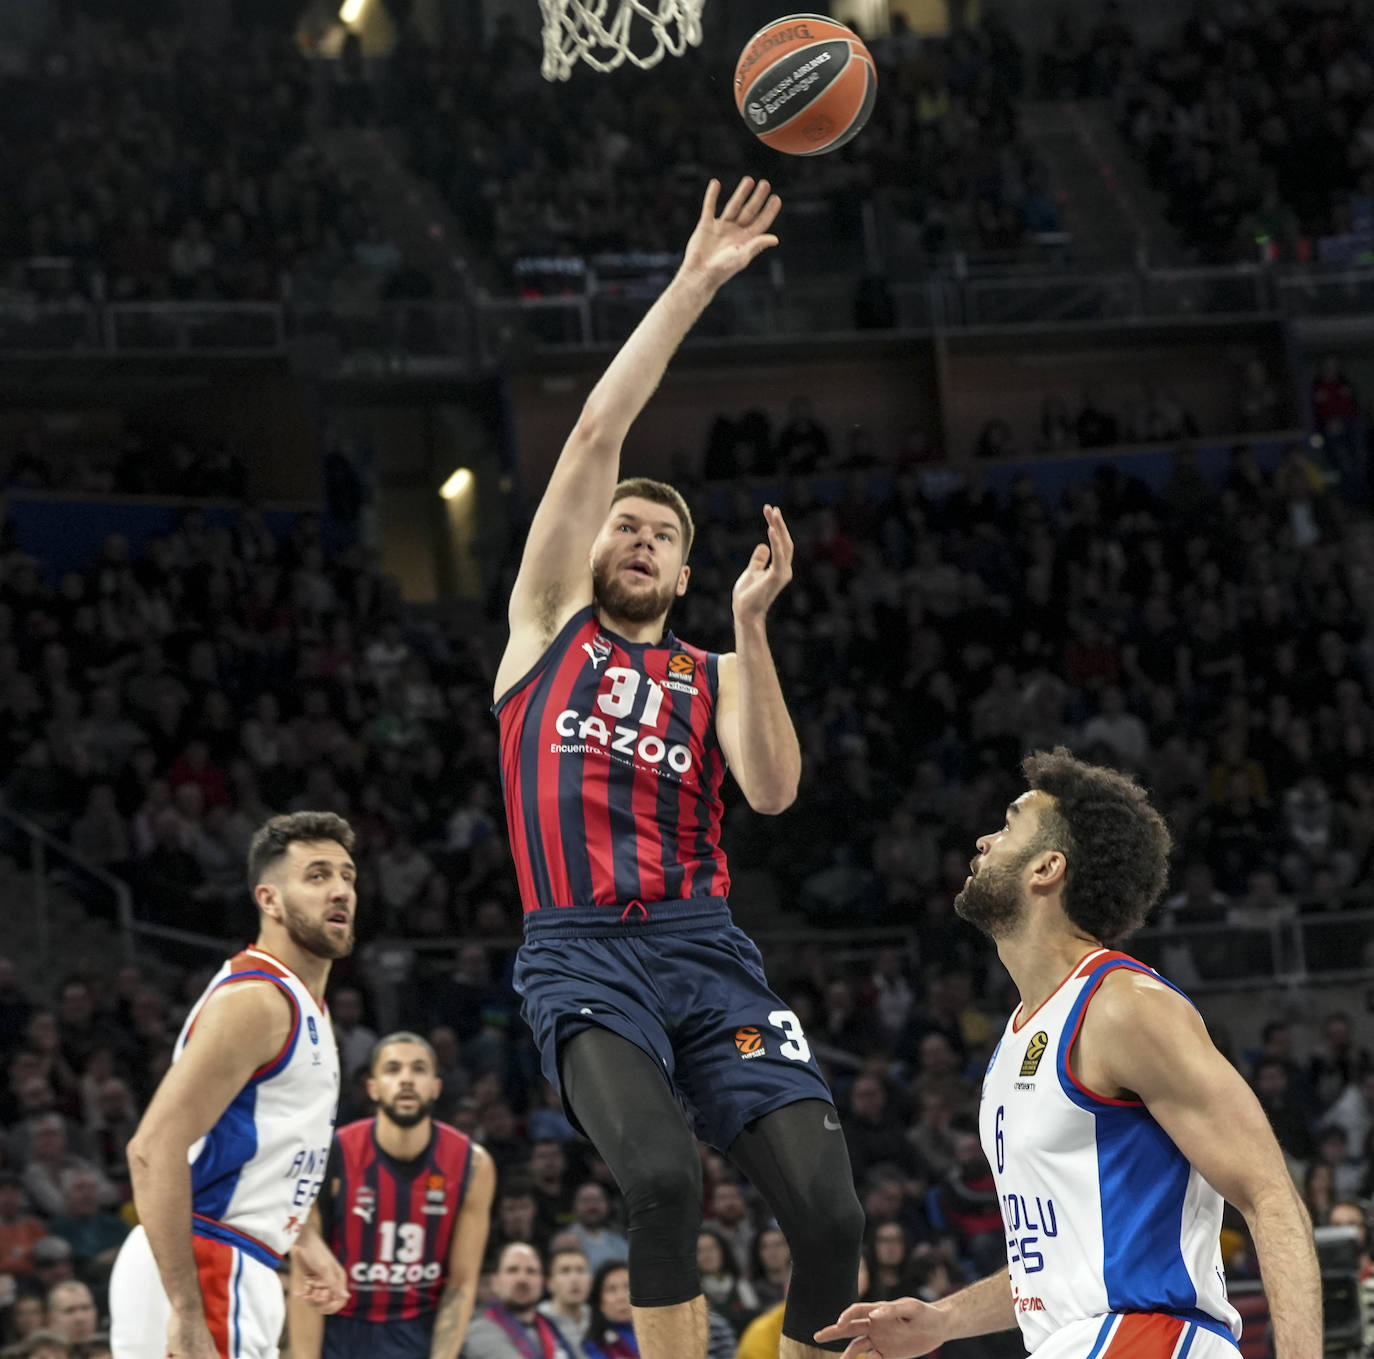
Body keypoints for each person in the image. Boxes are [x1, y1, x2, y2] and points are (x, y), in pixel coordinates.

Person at [492, 175, 863, 1359]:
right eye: (625, 525)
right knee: (660, 1182)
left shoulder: (714, 670)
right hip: (581, 946)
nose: (640, 538)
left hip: (706, 948)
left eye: (664, 534)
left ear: (689, 574)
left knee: (831, 1215)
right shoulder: (547, 625)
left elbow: (772, 793)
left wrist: (755, 630)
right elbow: (599, 433)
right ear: (588, 543)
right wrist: (696, 282)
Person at [818, 749, 1321, 1359]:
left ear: (1047, 868)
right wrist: (943, 1319)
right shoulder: (1016, 1038)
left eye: (1007, 827)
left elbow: (1270, 1196)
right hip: (1079, 1341)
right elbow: (1060, 1269)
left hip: (1149, 1338)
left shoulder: (1124, 1006)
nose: (982, 840)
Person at [109, 812, 357, 1359]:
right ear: (269, 899)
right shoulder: (257, 1003)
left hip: (226, 1257)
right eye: (316, 876)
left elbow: (269, 1149)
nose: (339, 890)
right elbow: (152, 1151)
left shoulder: (299, 1001)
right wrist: (187, 1311)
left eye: (346, 875)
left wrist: (303, 1238)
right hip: (207, 1259)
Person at [289, 1031, 493, 1359]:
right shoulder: (334, 1153)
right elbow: (307, 1275)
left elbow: (460, 1285)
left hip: (420, 1331)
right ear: (372, 1087)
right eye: (393, 1069)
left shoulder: (473, 1164)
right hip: (341, 1329)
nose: (406, 1080)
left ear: (436, 1087)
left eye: (419, 1069)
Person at [462, 1243, 575, 1359]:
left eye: (531, 1271)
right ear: (495, 1282)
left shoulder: (561, 1327)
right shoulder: (478, 1330)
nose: (522, 1279)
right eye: (512, 1270)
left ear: (543, 1282)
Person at [538, 1244, 593, 1357]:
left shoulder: (599, 1319)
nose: (574, 1279)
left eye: (580, 1270)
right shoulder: (536, 1321)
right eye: (565, 1271)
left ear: (590, 1281)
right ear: (549, 1283)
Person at [582, 1262, 638, 1359]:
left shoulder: (656, 1332)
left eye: (628, 1287)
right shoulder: (594, 1345)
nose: (621, 1297)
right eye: (611, 1290)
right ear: (599, 1301)